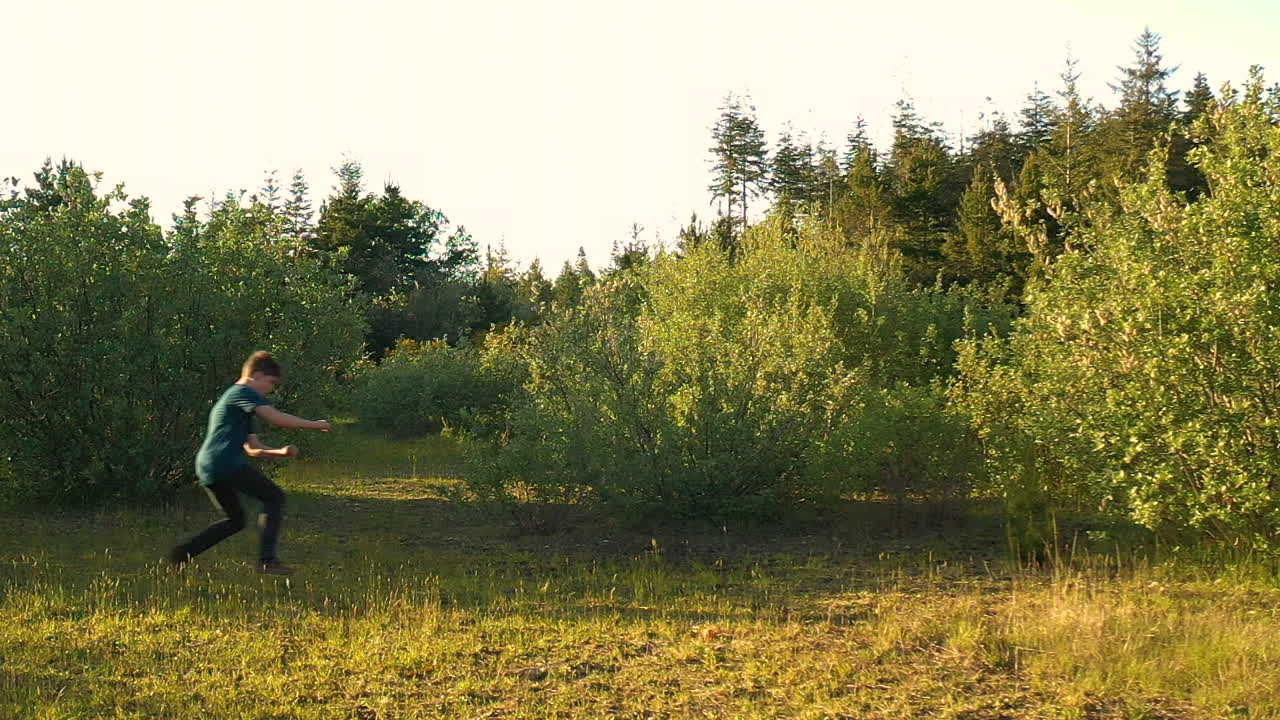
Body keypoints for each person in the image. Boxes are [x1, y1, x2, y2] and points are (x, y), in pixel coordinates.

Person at [168, 350, 331, 574]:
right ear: (255, 374)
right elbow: (275, 418)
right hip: (223, 462)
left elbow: (253, 448)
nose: (271, 390)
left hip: (208, 466)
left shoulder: (238, 404)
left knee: (235, 521)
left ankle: (182, 554)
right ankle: (267, 560)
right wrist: (315, 424)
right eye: (271, 383)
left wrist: (280, 452)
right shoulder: (242, 392)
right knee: (274, 497)